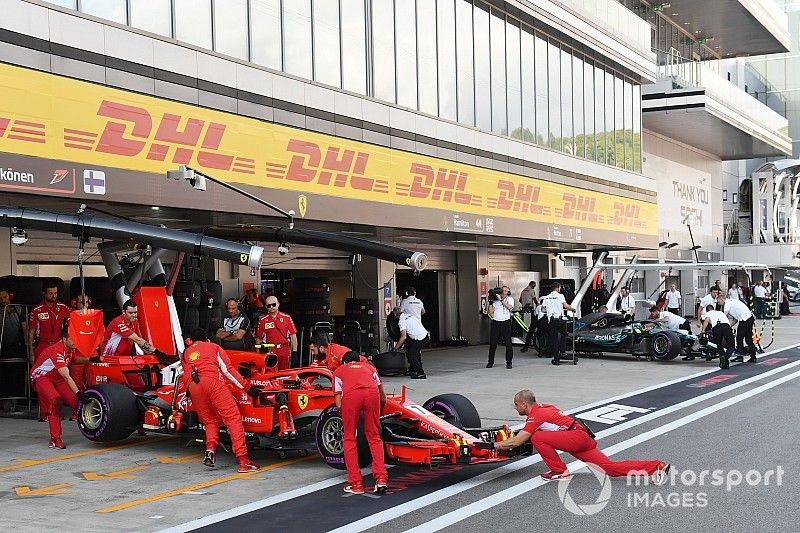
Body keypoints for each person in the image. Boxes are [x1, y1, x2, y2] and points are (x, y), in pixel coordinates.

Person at [492, 390, 669, 482]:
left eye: (516, 405)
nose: (515, 408)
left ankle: (559, 471)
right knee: (609, 469)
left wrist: (493, 446)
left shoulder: (536, 415)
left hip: (576, 438)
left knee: (537, 437)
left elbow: (518, 441)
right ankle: (657, 466)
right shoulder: (545, 407)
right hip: (581, 436)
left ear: (524, 404)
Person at [181, 328, 261, 472]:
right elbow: (228, 370)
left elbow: (186, 376)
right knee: (233, 418)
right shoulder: (214, 347)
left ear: (191, 340)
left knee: (210, 421)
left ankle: (210, 450)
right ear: (206, 339)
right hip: (213, 383)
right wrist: (248, 388)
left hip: (194, 387)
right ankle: (244, 461)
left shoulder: (187, 352)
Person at [30, 320, 98, 448]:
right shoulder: (57, 350)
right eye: (72, 339)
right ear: (64, 338)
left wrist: (89, 359)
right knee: (56, 400)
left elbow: (73, 360)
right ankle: (55, 439)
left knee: (75, 402)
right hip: (42, 378)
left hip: (57, 377)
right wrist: (79, 393)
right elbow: (67, 376)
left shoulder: (69, 348)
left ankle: (90, 427)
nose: (75, 342)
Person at [334, 351, 388, 494]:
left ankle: (356, 484)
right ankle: (381, 479)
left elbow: (338, 403)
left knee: (350, 438)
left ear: (345, 362)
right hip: (372, 394)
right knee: (374, 437)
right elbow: (382, 396)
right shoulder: (370, 368)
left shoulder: (339, 371)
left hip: (351, 397)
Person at [29, 281, 71, 361]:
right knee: (42, 372)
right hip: (42, 346)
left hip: (59, 345)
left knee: (59, 372)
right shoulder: (36, 310)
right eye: (50, 293)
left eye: (55, 293)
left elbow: (76, 317)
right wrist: (31, 353)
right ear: (44, 293)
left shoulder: (63, 307)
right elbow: (31, 332)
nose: (53, 296)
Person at [255, 296, 298, 370]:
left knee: (284, 372)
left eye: (273, 304)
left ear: (278, 304)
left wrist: (294, 351)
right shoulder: (262, 320)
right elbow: (259, 338)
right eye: (269, 305)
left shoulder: (287, 318)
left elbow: (293, 336)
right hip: (270, 350)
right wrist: (258, 354)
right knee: (270, 374)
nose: (271, 307)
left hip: (284, 349)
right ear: (266, 307)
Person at [1, 288, 26, 413]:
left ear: (10, 296)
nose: (3, 301)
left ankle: (15, 400)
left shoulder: (19, 309)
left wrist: (27, 345)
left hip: (15, 346)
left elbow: (25, 328)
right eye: (0, 298)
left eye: (4, 297)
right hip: (1, 347)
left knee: (14, 375)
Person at [541, 282, 576, 366]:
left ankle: (556, 359)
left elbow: (543, 309)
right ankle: (563, 351)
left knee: (554, 340)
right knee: (564, 334)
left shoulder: (546, 297)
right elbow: (566, 306)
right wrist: (573, 309)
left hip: (551, 321)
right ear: (558, 288)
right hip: (560, 320)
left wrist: (549, 310)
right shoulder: (560, 296)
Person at [717, 294, 756, 363]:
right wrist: (729, 326)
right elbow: (735, 319)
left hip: (744, 320)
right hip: (749, 318)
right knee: (748, 338)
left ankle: (740, 356)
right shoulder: (733, 302)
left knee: (739, 338)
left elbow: (724, 316)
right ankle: (753, 356)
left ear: (722, 299)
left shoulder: (727, 304)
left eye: (719, 302)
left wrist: (720, 325)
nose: (718, 303)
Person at [393, 306, 430, 379]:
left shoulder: (402, 321)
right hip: (424, 335)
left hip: (420, 338)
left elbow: (403, 337)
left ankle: (421, 373)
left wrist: (395, 348)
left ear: (395, 314)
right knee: (413, 351)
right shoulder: (409, 315)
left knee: (411, 354)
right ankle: (413, 370)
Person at [487, 286, 514, 369]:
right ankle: (490, 362)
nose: (504, 292)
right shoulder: (495, 300)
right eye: (503, 290)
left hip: (505, 322)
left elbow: (509, 307)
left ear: (508, 292)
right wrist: (491, 302)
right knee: (493, 343)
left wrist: (501, 300)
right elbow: (490, 312)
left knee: (508, 343)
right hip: (496, 322)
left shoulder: (510, 299)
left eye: (506, 291)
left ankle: (509, 362)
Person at [702, 304, 735, 369]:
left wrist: (703, 330)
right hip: (726, 327)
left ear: (707, 310)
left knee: (719, 345)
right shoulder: (720, 312)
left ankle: (723, 360)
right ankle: (725, 358)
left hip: (716, 328)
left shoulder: (708, 313)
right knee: (731, 346)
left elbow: (706, 320)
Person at [519, 281, 539, 353]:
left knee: (529, 329)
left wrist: (524, 304)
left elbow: (520, 300)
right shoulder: (531, 290)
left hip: (524, 310)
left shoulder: (523, 290)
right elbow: (535, 300)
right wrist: (538, 306)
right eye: (534, 285)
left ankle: (526, 347)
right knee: (531, 328)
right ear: (532, 285)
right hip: (530, 310)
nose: (535, 287)